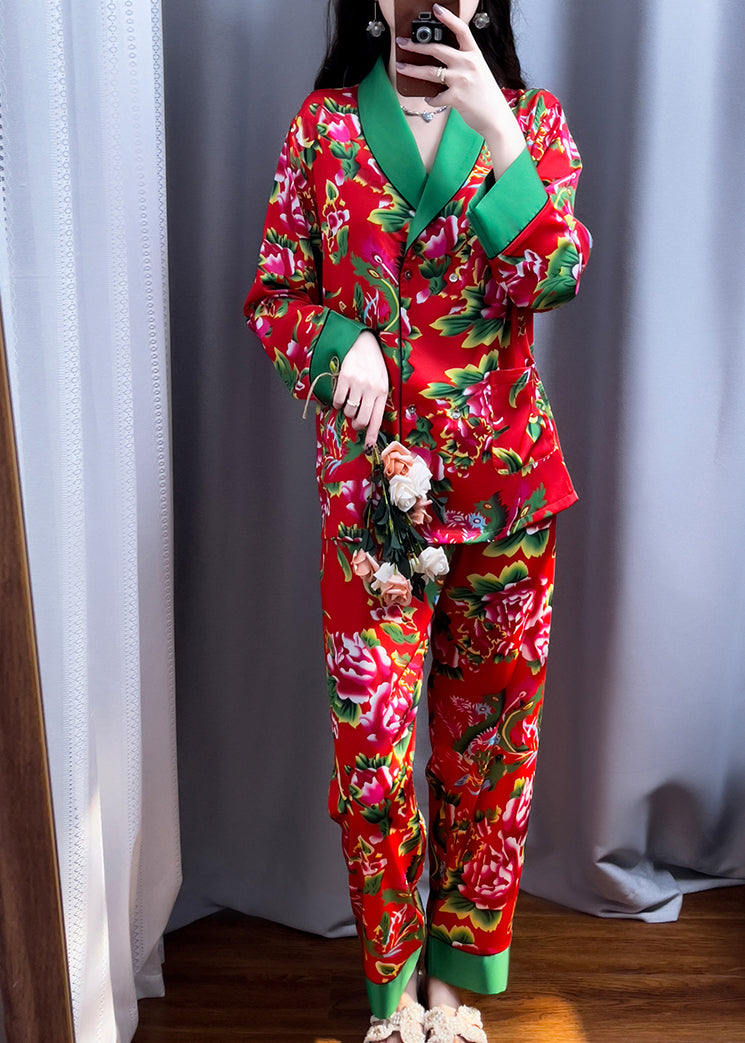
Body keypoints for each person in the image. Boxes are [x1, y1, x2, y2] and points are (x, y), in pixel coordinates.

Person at [244, 2, 591, 1040]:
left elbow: (552, 278)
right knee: (375, 758)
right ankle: (392, 994)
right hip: (374, 510)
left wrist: (500, 133)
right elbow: (274, 295)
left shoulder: (533, 120)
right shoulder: (323, 129)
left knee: (489, 755)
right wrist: (336, 341)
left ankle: (454, 983)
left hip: (505, 501)